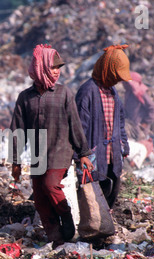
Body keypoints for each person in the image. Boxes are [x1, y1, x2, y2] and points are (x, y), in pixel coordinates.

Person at [10, 44, 93, 247]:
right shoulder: (25, 97)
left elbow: (75, 123)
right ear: (41, 68)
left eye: (58, 68)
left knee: (50, 185)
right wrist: (16, 161)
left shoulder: (64, 93)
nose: (57, 71)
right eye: (53, 67)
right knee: (39, 198)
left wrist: (83, 152)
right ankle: (56, 239)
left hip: (60, 150)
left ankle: (66, 215)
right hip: (38, 154)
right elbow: (17, 131)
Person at [75, 44, 131, 209]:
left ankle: (105, 227)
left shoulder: (113, 92)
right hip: (93, 156)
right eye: (116, 75)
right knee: (91, 198)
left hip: (112, 155)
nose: (118, 80)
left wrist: (124, 147)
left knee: (112, 190)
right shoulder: (88, 92)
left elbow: (120, 123)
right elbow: (79, 128)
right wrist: (80, 155)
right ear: (107, 70)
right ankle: (92, 229)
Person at [122, 71, 154, 169]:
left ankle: (139, 165)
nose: (123, 84)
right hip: (131, 125)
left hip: (139, 127)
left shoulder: (140, 93)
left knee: (140, 147)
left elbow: (153, 108)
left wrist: (146, 122)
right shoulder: (129, 93)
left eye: (126, 82)